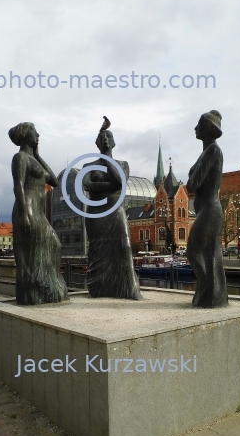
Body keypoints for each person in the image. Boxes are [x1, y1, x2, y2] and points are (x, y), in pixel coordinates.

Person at [82, 117, 142, 300]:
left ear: (114, 142)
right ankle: (98, 287)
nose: (106, 139)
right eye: (103, 137)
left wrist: (108, 161)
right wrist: (111, 186)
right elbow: (87, 185)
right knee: (97, 250)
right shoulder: (88, 166)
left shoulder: (122, 164)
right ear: (98, 143)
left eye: (109, 136)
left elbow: (120, 182)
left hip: (115, 212)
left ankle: (128, 289)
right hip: (96, 215)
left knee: (123, 246)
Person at [9, 122, 68, 305]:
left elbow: (54, 181)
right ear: (25, 134)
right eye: (34, 131)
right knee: (46, 247)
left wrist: (38, 154)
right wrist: (25, 214)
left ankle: (44, 284)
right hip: (27, 209)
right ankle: (37, 286)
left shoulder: (33, 159)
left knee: (53, 246)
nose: (38, 134)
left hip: (38, 212)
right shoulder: (20, 158)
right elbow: (17, 186)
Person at [186, 110, 228, 308]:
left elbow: (192, 184)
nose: (195, 128)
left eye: (199, 125)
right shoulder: (208, 152)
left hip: (210, 210)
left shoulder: (212, 150)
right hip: (207, 210)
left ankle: (209, 296)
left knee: (196, 251)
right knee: (209, 254)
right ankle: (211, 296)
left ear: (208, 129)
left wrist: (192, 175)